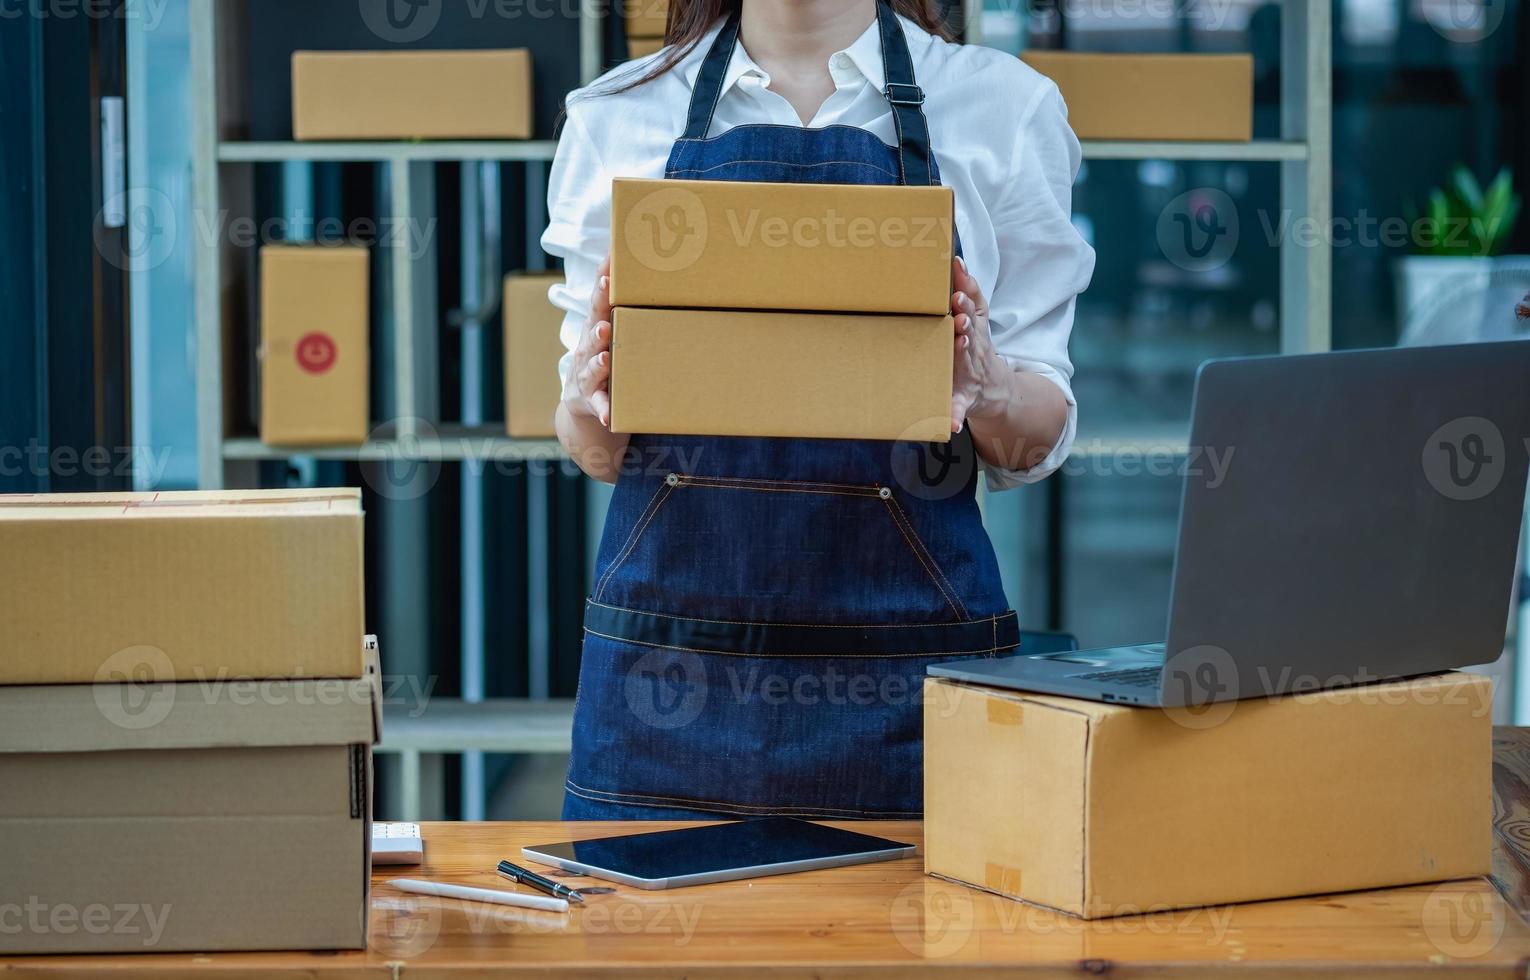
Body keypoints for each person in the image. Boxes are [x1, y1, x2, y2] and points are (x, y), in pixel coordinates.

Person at [541, 0, 1095, 819]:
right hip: (673, 680)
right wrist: (592, 395)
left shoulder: (1005, 108)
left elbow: (1031, 439)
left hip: (907, 679)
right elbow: (594, 450)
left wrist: (991, 383)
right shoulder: (615, 115)